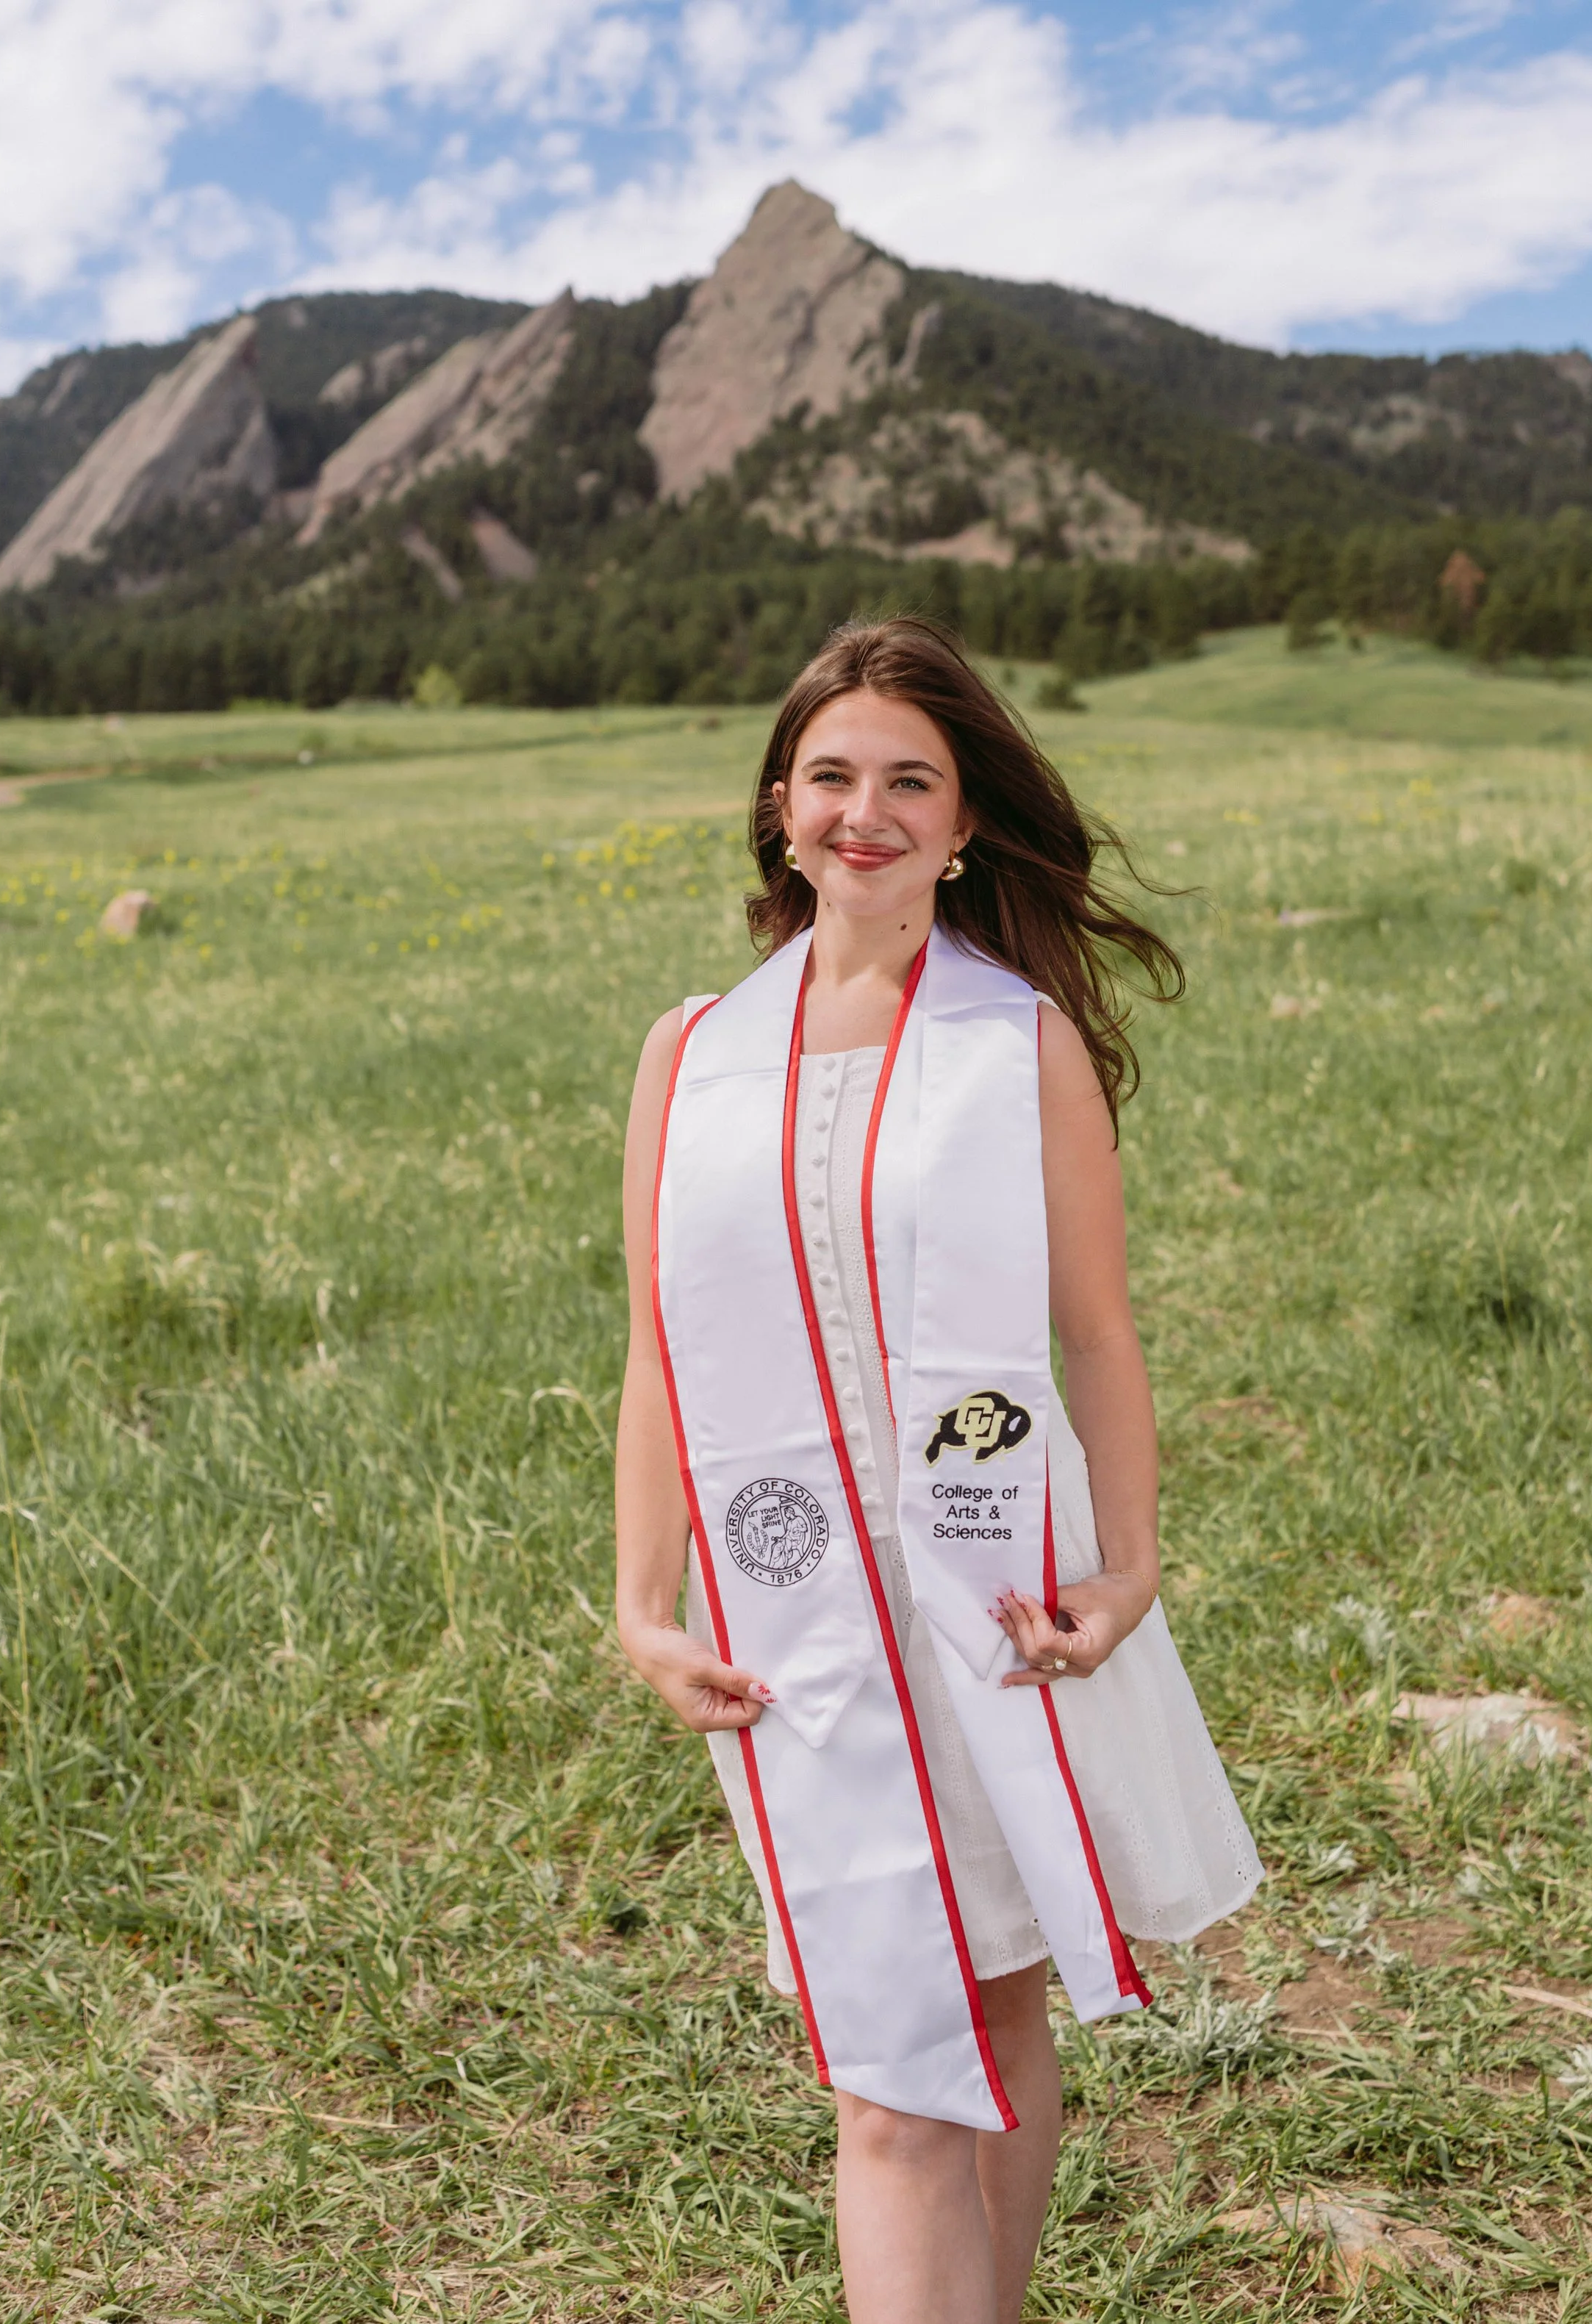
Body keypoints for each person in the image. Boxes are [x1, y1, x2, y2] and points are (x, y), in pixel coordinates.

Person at [616, 618, 1261, 2324]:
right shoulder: (689, 1056)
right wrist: (641, 1603)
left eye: (911, 779)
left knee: (988, 2001)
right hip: (794, 1623)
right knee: (892, 2078)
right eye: (832, 775)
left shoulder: (1013, 1045)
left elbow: (1098, 1333)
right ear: (777, 807)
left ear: (962, 824)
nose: (865, 811)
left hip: (987, 1603)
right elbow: (656, 1348)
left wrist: (1127, 1570)